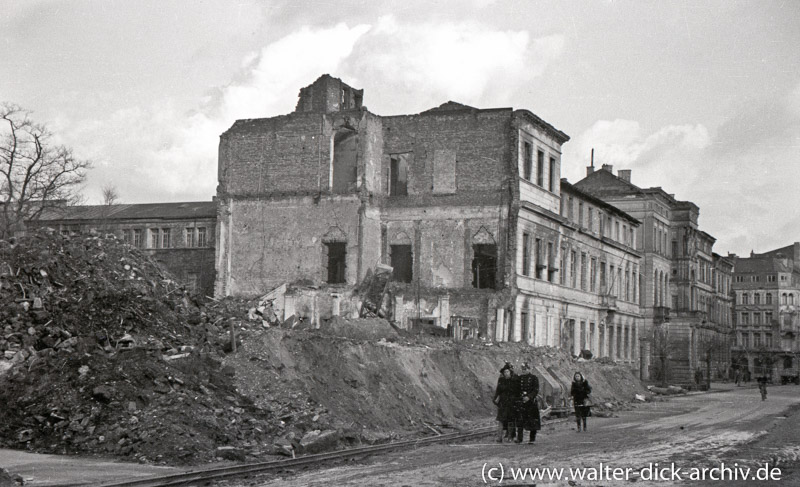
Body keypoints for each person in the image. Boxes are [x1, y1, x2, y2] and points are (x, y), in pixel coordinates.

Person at [513, 362, 541, 444]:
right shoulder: (519, 378)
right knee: (520, 421)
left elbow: (536, 390)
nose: (524, 371)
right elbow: (517, 389)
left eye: (525, 369)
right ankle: (519, 438)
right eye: (523, 369)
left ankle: (532, 439)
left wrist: (529, 397)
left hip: (531, 402)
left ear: (529, 369)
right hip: (522, 402)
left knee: (533, 421)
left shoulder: (534, 378)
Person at [493, 362, 516, 442]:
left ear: (510, 372)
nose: (506, 373)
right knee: (501, 420)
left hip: (511, 403)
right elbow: (498, 390)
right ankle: (499, 438)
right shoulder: (501, 380)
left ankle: (510, 437)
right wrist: (495, 399)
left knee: (510, 420)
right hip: (502, 403)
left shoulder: (513, 381)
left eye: (507, 372)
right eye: (504, 372)